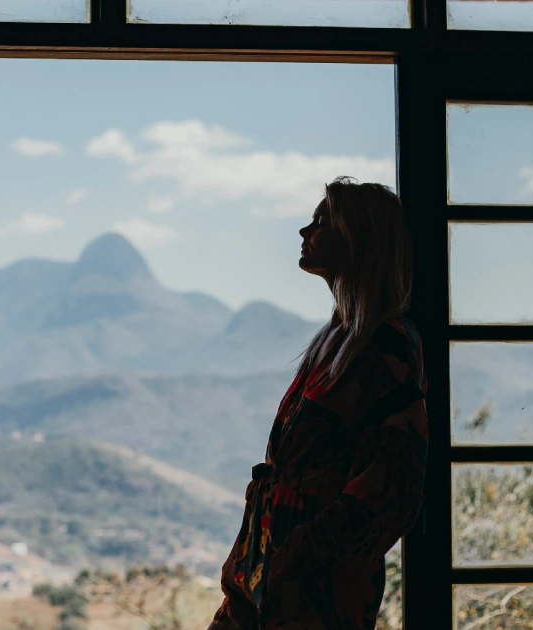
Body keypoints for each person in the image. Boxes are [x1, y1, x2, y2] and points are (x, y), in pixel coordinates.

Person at [208, 177, 428, 630]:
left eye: (321, 222)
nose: (305, 233)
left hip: (317, 592)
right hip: (267, 575)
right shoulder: (336, 340)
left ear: (358, 239)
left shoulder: (385, 346)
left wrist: (307, 549)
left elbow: (394, 481)